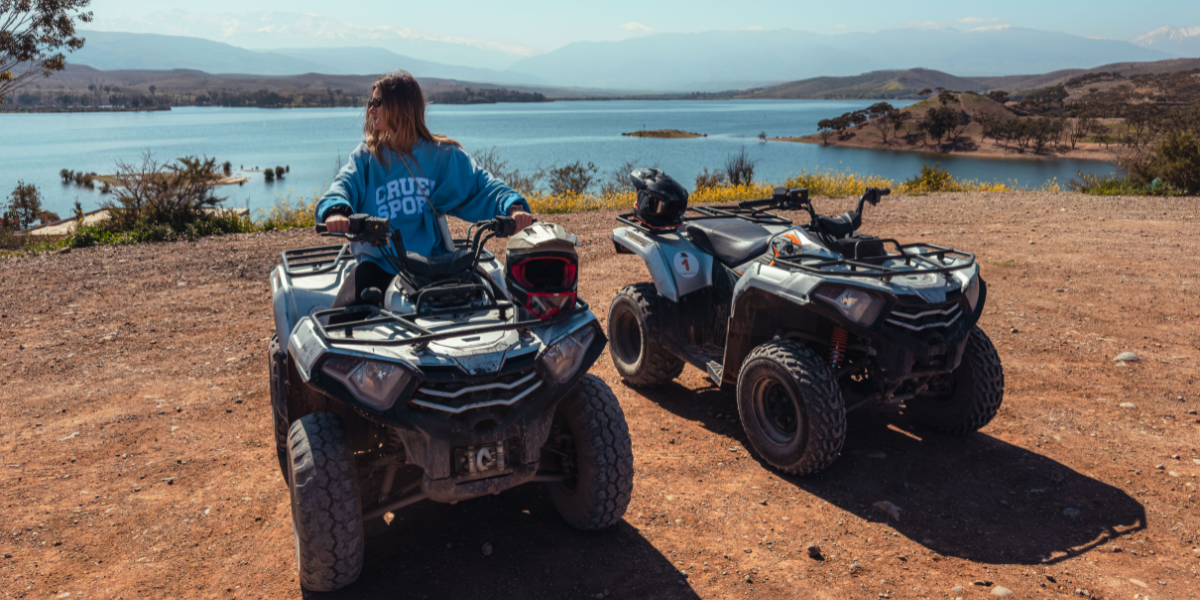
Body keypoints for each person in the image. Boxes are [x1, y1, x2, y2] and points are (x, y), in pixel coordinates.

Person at [315, 70, 534, 308]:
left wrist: (513, 207)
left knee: (503, 307)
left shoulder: (442, 155)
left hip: (435, 264)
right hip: (381, 265)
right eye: (371, 102)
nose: (371, 109)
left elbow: (482, 185)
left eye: (378, 102)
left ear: (400, 106)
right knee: (340, 321)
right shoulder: (366, 158)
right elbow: (344, 185)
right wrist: (336, 211)